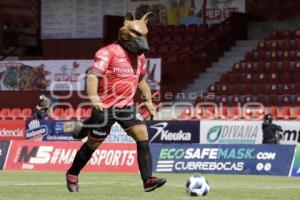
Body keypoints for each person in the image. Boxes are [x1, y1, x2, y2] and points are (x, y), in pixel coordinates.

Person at [66, 12, 166, 193]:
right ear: (125, 34)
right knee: (94, 144)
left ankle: (148, 180)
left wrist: (149, 101)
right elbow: (92, 76)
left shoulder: (141, 57)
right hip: (104, 107)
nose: (141, 40)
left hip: (126, 106)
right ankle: (72, 174)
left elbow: (141, 80)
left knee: (142, 134)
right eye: (137, 35)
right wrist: (94, 98)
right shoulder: (107, 52)